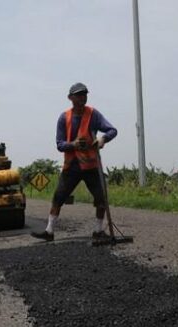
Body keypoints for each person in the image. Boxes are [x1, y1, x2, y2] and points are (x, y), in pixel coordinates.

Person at [31, 82, 117, 242]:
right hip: (72, 166)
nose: (82, 97)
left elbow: (112, 130)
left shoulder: (94, 114)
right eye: (78, 95)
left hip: (91, 166)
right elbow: (59, 144)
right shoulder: (64, 118)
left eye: (84, 94)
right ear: (70, 97)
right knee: (58, 197)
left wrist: (103, 139)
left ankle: (98, 230)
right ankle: (49, 231)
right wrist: (73, 145)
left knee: (101, 198)